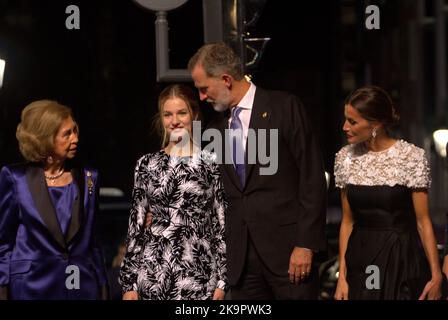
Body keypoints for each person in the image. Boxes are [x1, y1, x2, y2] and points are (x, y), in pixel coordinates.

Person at [188, 42, 327, 299]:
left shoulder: (284, 107)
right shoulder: (215, 129)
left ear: (226, 79)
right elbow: (206, 189)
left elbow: (312, 179)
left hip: (289, 256)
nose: (202, 97)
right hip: (241, 263)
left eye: (204, 88)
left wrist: (306, 244)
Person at [119, 84, 227, 300]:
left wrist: (222, 280)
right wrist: (129, 283)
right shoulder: (146, 164)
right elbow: (136, 225)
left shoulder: (211, 164)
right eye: (167, 114)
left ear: (194, 115)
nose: (174, 120)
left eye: (181, 113)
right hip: (152, 278)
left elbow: (220, 224)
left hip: (199, 279)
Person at [334, 85, 443, 300]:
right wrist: (342, 278)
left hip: (400, 257)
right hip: (363, 260)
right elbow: (347, 222)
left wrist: (436, 275)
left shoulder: (411, 157)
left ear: (375, 124)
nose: (345, 127)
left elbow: (423, 221)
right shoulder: (345, 158)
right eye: (346, 119)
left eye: (353, 122)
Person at [0, 100, 108, 300]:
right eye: (67, 134)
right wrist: (2, 288)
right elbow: (3, 243)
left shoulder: (89, 177)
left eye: (75, 131)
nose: (75, 138)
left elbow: (94, 241)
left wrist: (102, 285)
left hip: (80, 287)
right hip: (31, 289)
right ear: (46, 139)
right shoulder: (15, 178)